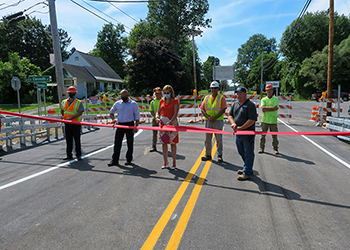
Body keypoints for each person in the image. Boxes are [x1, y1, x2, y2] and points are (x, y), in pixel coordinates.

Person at [228, 87, 257, 181]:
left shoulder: (250, 105)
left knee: (248, 152)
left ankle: (247, 172)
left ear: (245, 94)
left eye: (240, 94)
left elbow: (252, 120)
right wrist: (233, 123)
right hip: (238, 133)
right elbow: (230, 115)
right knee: (241, 151)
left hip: (247, 134)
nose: (238, 96)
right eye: (237, 94)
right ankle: (247, 167)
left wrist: (241, 128)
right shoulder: (235, 104)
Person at [108, 89, 140, 166]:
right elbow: (111, 112)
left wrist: (136, 126)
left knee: (130, 142)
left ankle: (129, 159)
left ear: (127, 96)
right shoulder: (118, 103)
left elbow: (137, 116)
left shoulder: (133, 104)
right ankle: (115, 160)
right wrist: (113, 119)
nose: (122, 98)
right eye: (121, 96)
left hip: (130, 124)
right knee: (117, 143)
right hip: (120, 124)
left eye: (124, 96)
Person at [200, 81, 227, 163]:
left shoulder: (221, 98)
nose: (213, 90)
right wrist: (208, 117)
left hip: (217, 120)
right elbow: (202, 108)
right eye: (212, 88)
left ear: (218, 89)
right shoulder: (206, 98)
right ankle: (208, 155)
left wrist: (215, 117)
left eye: (215, 88)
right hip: (208, 120)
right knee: (208, 139)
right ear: (210, 89)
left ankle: (219, 155)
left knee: (218, 139)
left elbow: (223, 109)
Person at [155, 85, 179, 170]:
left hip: (172, 124)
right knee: (164, 142)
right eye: (164, 93)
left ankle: (174, 162)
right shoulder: (161, 101)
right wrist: (157, 117)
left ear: (171, 93)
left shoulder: (175, 101)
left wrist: (171, 121)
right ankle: (165, 162)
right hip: (163, 125)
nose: (166, 94)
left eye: (167, 93)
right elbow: (158, 112)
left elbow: (175, 114)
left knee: (173, 143)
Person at [60, 86, 84, 161]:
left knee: (77, 140)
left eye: (73, 93)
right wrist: (62, 116)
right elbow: (62, 110)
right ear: (68, 93)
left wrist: (71, 118)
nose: (71, 94)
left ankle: (78, 155)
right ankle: (69, 155)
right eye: (70, 93)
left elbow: (80, 112)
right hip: (67, 123)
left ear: (75, 93)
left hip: (76, 123)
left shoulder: (78, 102)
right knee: (68, 139)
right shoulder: (64, 102)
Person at [259, 84, 279, 154]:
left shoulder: (276, 99)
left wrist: (267, 108)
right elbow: (263, 109)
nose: (269, 92)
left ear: (272, 91)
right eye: (267, 90)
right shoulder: (263, 99)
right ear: (266, 91)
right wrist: (272, 108)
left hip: (273, 121)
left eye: (270, 90)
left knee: (274, 136)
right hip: (265, 120)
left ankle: (275, 149)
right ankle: (261, 148)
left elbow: (275, 108)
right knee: (262, 136)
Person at [149, 87, 162, 152]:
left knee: (164, 133)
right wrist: (155, 117)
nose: (157, 95)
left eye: (158, 93)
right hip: (155, 119)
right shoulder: (152, 102)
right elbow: (151, 110)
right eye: (156, 93)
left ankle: (164, 146)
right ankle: (154, 147)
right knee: (154, 134)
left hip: (162, 119)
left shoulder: (163, 101)